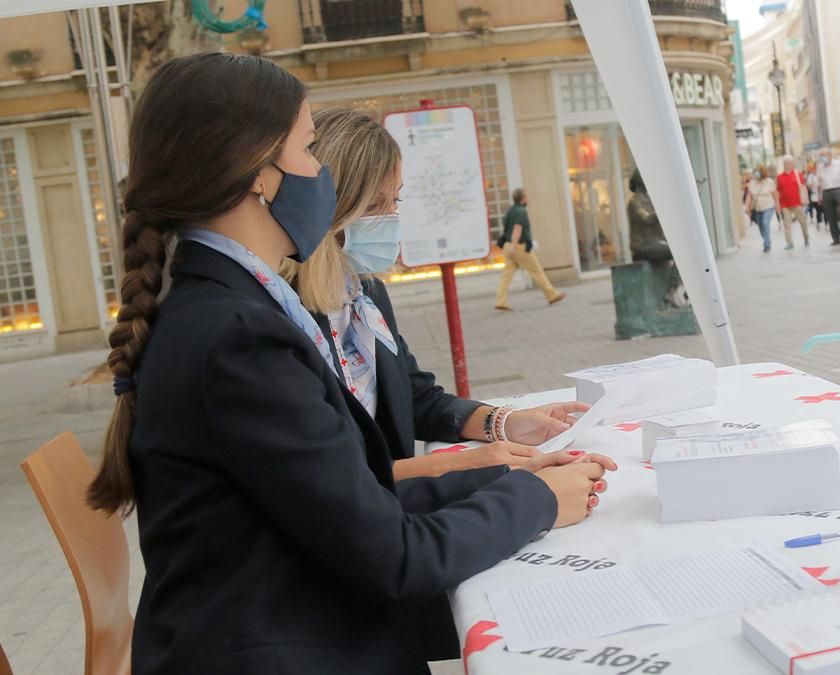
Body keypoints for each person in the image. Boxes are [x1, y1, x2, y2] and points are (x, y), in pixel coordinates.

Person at [87, 53, 611, 674]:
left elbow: (344, 502)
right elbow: (394, 556)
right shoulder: (237, 336)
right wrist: (535, 500)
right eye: (309, 150)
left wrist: (505, 478)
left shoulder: (230, 309)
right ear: (257, 171)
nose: (322, 177)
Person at [289, 108, 598, 484]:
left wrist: (506, 422)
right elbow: (321, 477)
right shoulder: (282, 315)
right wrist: (464, 464)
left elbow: (417, 397)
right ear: (328, 205)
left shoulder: (365, 294)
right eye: (374, 205)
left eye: (396, 201)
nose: (390, 217)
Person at [495, 188, 567, 311]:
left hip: (507, 246)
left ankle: (500, 301)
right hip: (518, 247)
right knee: (537, 271)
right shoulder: (521, 212)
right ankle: (552, 295)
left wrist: (510, 247)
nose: (528, 199)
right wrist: (514, 246)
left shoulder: (510, 211)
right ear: (522, 199)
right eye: (526, 197)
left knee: (506, 276)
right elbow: (517, 229)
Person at [627, 170, 687, 307]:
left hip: (654, 244)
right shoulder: (635, 202)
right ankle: (672, 291)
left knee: (683, 249)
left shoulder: (651, 199)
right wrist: (664, 209)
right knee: (679, 252)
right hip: (642, 247)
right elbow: (647, 218)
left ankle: (674, 288)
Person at [816, 149, 840, 246]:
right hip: (826, 192)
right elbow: (819, 182)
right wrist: (819, 195)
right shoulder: (820, 167)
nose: (823, 158)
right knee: (831, 217)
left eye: (824, 155)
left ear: (830, 155)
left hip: (838, 190)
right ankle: (836, 238)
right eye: (821, 156)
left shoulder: (839, 164)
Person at [775, 155, 809, 248]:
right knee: (787, 224)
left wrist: (805, 200)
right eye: (787, 163)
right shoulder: (780, 177)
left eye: (791, 162)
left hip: (797, 203)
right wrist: (777, 204)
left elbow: (803, 188)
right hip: (785, 204)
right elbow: (777, 191)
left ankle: (806, 237)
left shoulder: (798, 174)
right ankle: (789, 242)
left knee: (803, 222)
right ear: (784, 164)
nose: (789, 164)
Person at [744, 164, 777, 252]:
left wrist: (778, 207)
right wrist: (747, 207)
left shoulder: (769, 182)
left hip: (768, 206)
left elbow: (775, 195)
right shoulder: (752, 183)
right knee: (761, 226)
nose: (756, 173)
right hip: (757, 208)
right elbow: (749, 196)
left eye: (758, 172)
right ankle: (766, 240)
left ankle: (767, 243)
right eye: (756, 172)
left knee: (765, 222)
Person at [805, 160, 824, 230]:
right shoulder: (811, 175)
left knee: (823, 210)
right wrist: (812, 185)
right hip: (814, 196)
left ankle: (825, 222)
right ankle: (819, 223)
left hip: (822, 195)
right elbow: (808, 184)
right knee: (818, 209)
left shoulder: (822, 174)